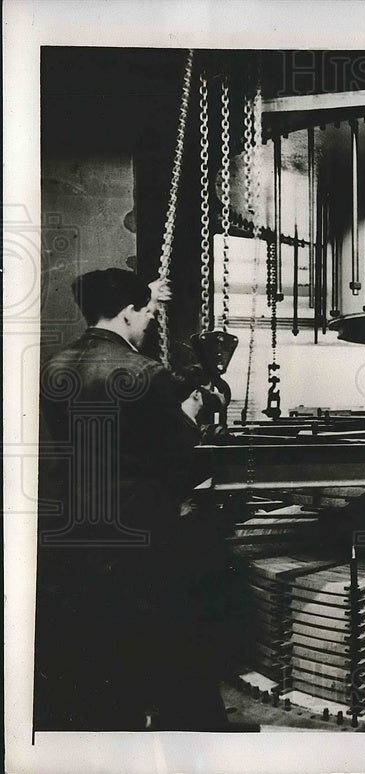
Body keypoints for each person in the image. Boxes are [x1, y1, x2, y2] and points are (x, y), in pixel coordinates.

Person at [35, 268, 228, 730]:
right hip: (139, 536)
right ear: (128, 313)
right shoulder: (145, 371)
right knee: (169, 648)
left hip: (73, 533)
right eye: (145, 316)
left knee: (95, 652)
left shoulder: (55, 365)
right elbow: (174, 454)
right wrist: (194, 414)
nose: (146, 325)